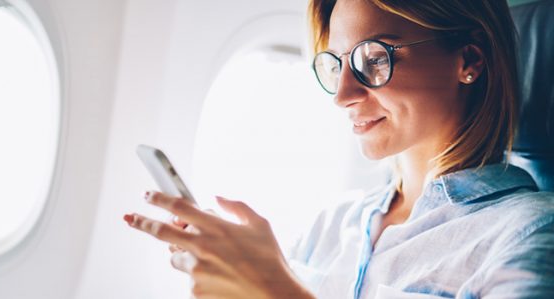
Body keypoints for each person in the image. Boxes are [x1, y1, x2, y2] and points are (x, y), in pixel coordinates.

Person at [123, 0, 554, 298]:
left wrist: (277, 291)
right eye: (337, 64)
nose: (342, 94)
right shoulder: (330, 228)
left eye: (374, 59)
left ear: (469, 60)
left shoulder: (529, 233)